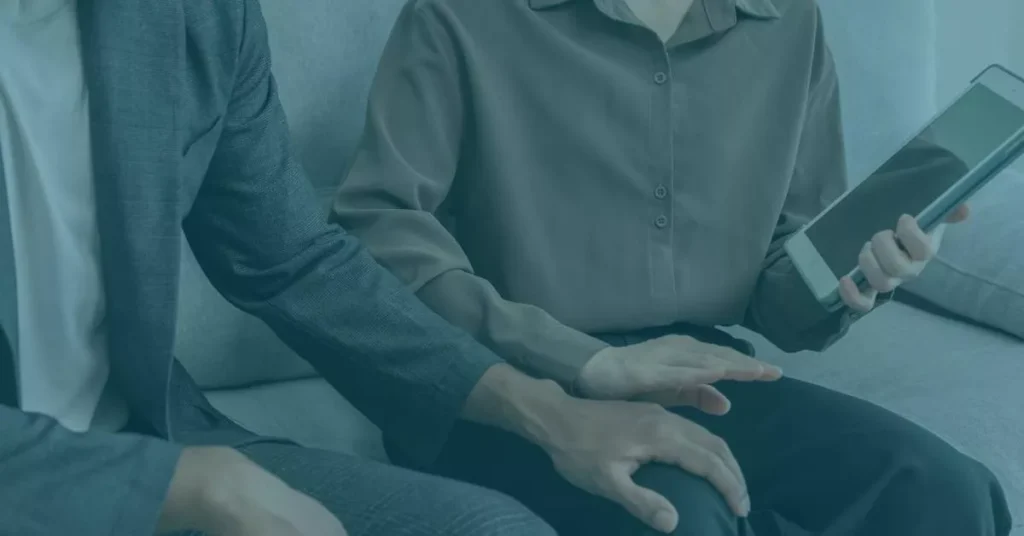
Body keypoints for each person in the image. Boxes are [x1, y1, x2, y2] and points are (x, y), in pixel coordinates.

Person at [0, 0, 779, 534]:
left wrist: (546, 409)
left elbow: (294, 261)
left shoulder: (192, 16)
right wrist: (188, 485)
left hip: (151, 438)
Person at [331, 0, 1014, 534]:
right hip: (499, 386)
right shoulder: (458, 17)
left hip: (694, 374)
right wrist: (583, 360)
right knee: (682, 512)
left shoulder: (790, 25)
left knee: (945, 492)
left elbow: (779, 292)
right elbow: (377, 229)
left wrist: (858, 275)